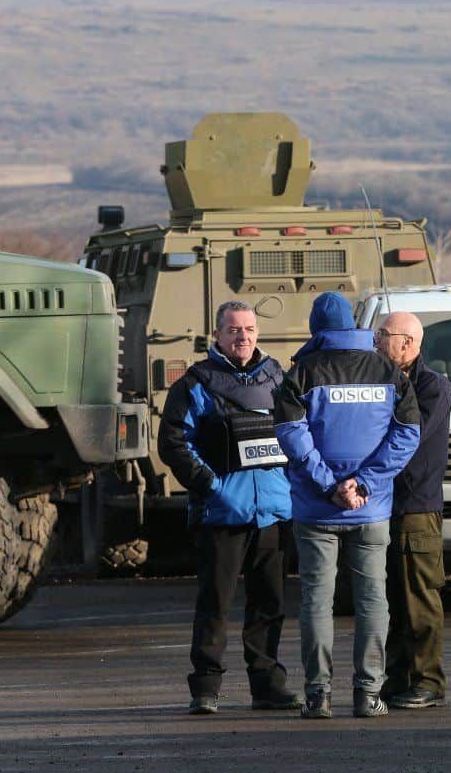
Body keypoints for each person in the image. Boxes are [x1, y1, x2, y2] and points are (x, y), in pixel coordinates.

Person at [274, 292, 421, 719]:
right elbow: (407, 435)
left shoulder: (301, 373)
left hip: (317, 510)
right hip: (370, 510)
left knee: (317, 603)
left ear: (316, 328)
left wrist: (329, 485)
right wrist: (367, 484)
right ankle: (368, 694)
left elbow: (291, 434)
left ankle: (318, 696)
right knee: (373, 600)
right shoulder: (390, 372)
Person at [158, 300, 301, 715]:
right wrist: (210, 485)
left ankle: (268, 687)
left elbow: (297, 434)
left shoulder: (278, 378)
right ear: (217, 335)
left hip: (273, 512)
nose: (244, 337)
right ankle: (205, 689)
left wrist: (290, 486)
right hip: (222, 512)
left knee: (270, 604)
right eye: (235, 330)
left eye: (250, 330)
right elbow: (173, 442)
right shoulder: (196, 383)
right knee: (215, 604)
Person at [375, 311, 451, 709]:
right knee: (391, 599)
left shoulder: (431, 387)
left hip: (416, 507)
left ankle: (428, 680)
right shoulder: (380, 379)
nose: (375, 341)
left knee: (419, 597)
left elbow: (409, 437)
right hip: (384, 506)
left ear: (406, 343)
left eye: (382, 335)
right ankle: (399, 677)